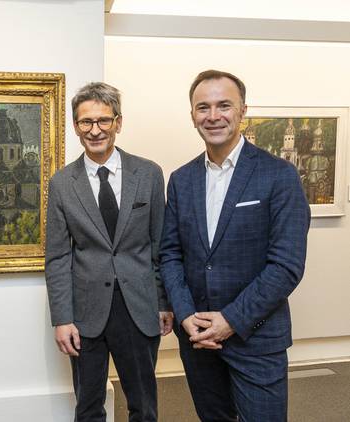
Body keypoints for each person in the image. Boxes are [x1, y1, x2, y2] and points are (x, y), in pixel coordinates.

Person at [160, 69, 310, 421]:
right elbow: (170, 254)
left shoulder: (279, 175)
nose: (213, 116)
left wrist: (230, 319)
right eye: (203, 107)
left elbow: (286, 265)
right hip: (197, 340)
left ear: (243, 111)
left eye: (224, 105)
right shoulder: (181, 180)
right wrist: (184, 315)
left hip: (255, 339)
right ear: (192, 115)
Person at [45, 82, 173, 422]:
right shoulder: (61, 184)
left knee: (143, 406)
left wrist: (163, 302)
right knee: (88, 407)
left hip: (139, 306)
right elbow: (58, 257)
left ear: (118, 122)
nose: (95, 130)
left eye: (103, 120)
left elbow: (160, 244)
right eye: (86, 122)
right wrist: (62, 318)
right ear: (75, 126)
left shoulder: (148, 173)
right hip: (85, 314)